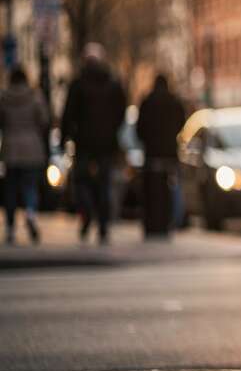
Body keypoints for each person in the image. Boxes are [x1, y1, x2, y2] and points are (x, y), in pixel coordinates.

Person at [60, 43, 127, 245]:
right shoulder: (112, 84)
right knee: (104, 184)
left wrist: (65, 137)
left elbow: (68, 114)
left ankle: (87, 211)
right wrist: (112, 130)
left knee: (82, 182)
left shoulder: (78, 84)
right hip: (106, 143)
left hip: (84, 143)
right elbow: (121, 112)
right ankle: (103, 225)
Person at [0, 67, 50, 244]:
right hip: (31, 147)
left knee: (10, 189)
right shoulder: (35, 96)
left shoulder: (4, 97)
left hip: (11, 147)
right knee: (30, 186)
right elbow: (44, 120)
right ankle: (30, 212)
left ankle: (10, 226)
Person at [135, 74, 189, 237]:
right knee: (171, 188)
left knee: (152, 191)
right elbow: (181, 123)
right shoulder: (174, 102)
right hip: (169, 153)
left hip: (152, 154)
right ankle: (170, 222)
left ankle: (153, 224)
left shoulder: (147, 102)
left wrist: (148, 141)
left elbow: (140, 128)